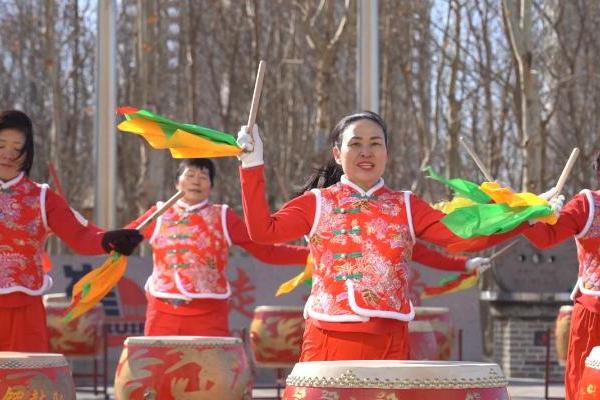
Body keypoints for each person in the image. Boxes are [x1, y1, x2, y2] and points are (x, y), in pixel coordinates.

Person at [235, 111, 519, 361]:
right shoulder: (317, 202)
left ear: (387, 153)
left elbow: (463, 237)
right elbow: (263, 232)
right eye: (355, 144)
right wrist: (251, 165)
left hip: (391, 341)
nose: (366, 153)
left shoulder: (406, 205)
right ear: (337, 154)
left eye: (375, 144)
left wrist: (523, 217)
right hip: (330, 339)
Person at [0, 110, 143, 352]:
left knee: (24, 381)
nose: (7, 154)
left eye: (17, 147)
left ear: (27, 154)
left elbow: (80, 235)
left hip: (25, 307)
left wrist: (109, 240)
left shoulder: (42, 198)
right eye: (1, 145)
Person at [126, 158, 309, 336]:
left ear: (211, 186)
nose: (196, 181)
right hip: (163, 310)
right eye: (189, 175)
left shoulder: (223, 216)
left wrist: (312, 255)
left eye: (203, 177)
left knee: (211, 365)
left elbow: (267, 251)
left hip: (209, 313)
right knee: (157, 364)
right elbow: (120, 239)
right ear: (176, 183)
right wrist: (109, 241)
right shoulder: (158, 214)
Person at [523, 151, 600, 400]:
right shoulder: (588, 204)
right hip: (594, 312)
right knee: (585, 389)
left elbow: (546, 238)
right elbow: (547, 236)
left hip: (592, 311)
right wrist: (534, 215)